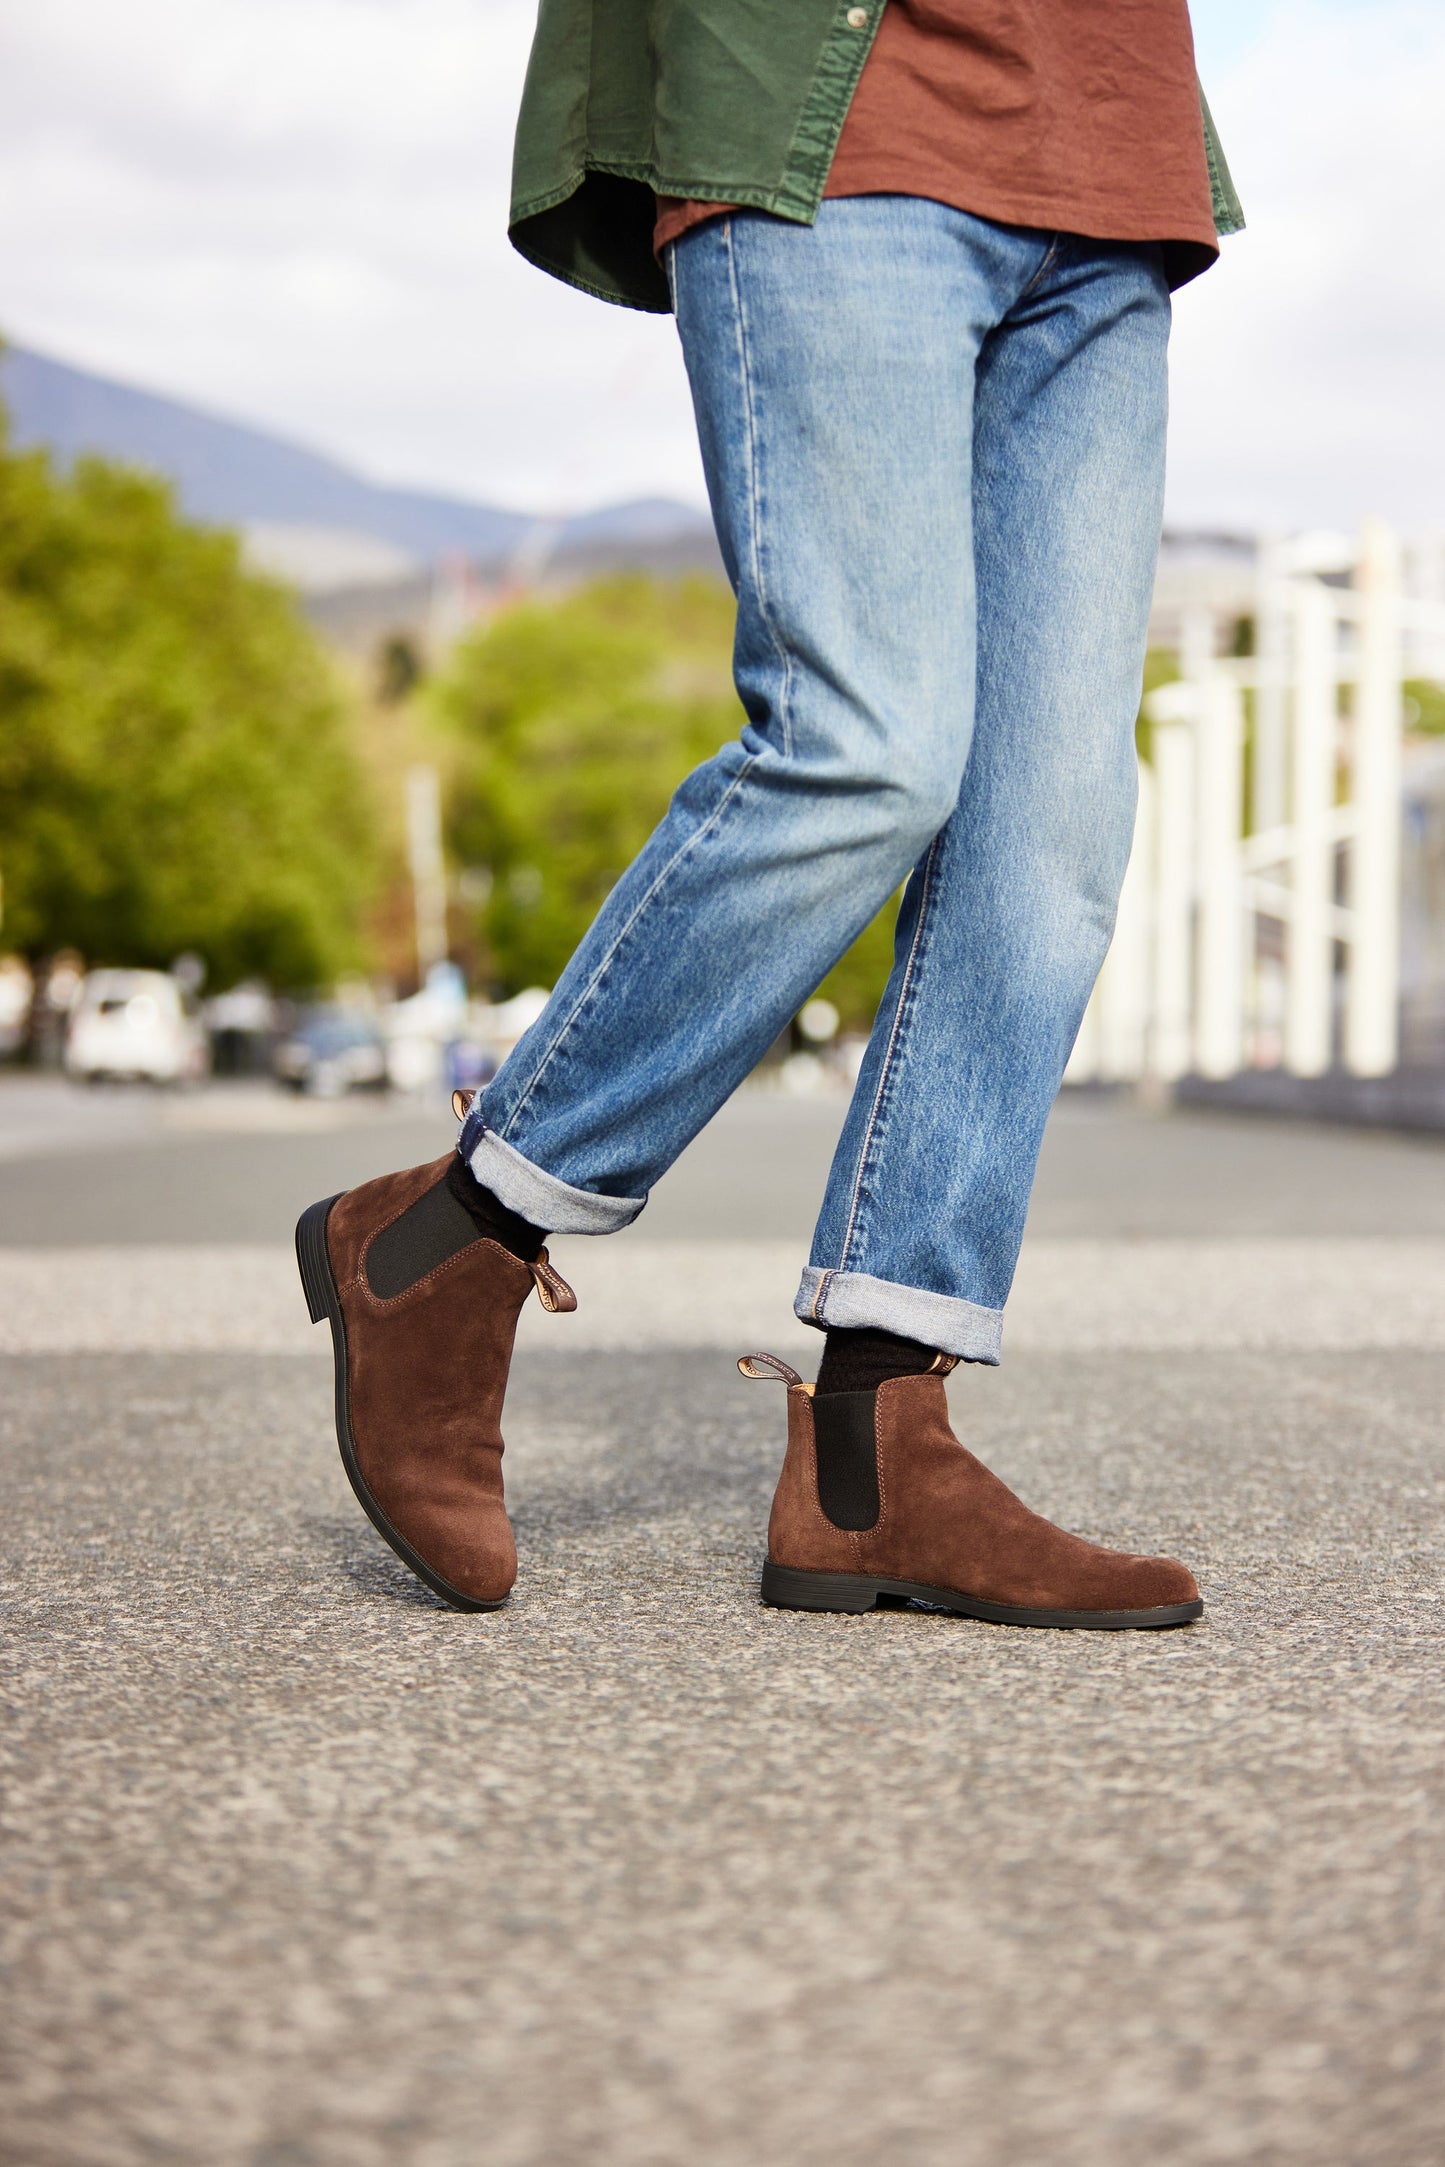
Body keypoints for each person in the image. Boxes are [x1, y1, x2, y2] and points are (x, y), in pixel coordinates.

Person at [296, 0, 1242, 1627]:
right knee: (863, 745)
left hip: (1109, 160)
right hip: (841, 114)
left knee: (1048, 833)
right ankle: (456, 1233)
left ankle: (877, 1449)